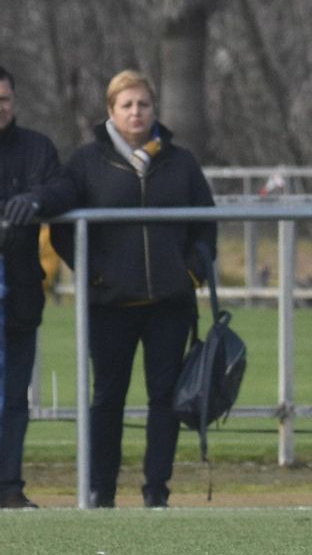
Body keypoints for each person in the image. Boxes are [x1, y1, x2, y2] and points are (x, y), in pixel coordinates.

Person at [27, 70, 216, 508]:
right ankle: (102, 490)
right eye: (127, 105)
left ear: (154, 109)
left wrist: (190, 273)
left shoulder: (180, 161)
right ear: (110, 110)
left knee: (165, 399)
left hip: (169, 303)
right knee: (107, 398)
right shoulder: (87, 163)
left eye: (143, 104)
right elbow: (62, 230)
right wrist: (93, 274)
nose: (136, 112)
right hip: (110, 305)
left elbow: (205, 223)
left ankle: (156, 491)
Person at [0, 65, 63, 509]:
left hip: (19, 293)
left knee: (13, 396)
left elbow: (63, 189)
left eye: (3, 99)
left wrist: (36, 200)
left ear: (14, 101)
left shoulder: (37, 148)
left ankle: (9, 487)